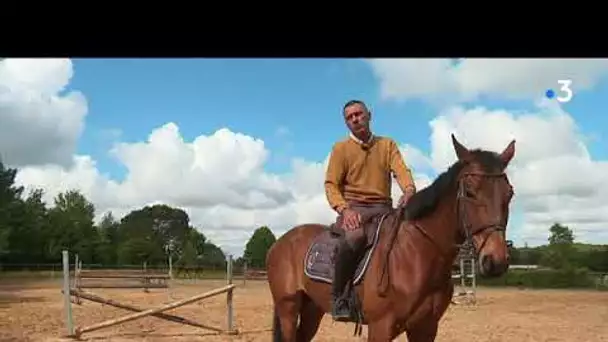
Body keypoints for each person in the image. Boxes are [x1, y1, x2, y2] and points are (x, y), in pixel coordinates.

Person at [324, 99, 417, 321]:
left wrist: (409, 189)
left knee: (410, 235)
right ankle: (339, 297)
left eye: (359, 114)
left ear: (369, 115)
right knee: (355, 238)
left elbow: (401, 171)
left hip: (384, 208)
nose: (355, 119)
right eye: (350, 117)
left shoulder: (387, 145)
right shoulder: (341, 148)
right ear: (346, 123)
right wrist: (344, 210)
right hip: (354, 208)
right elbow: (331, 184)